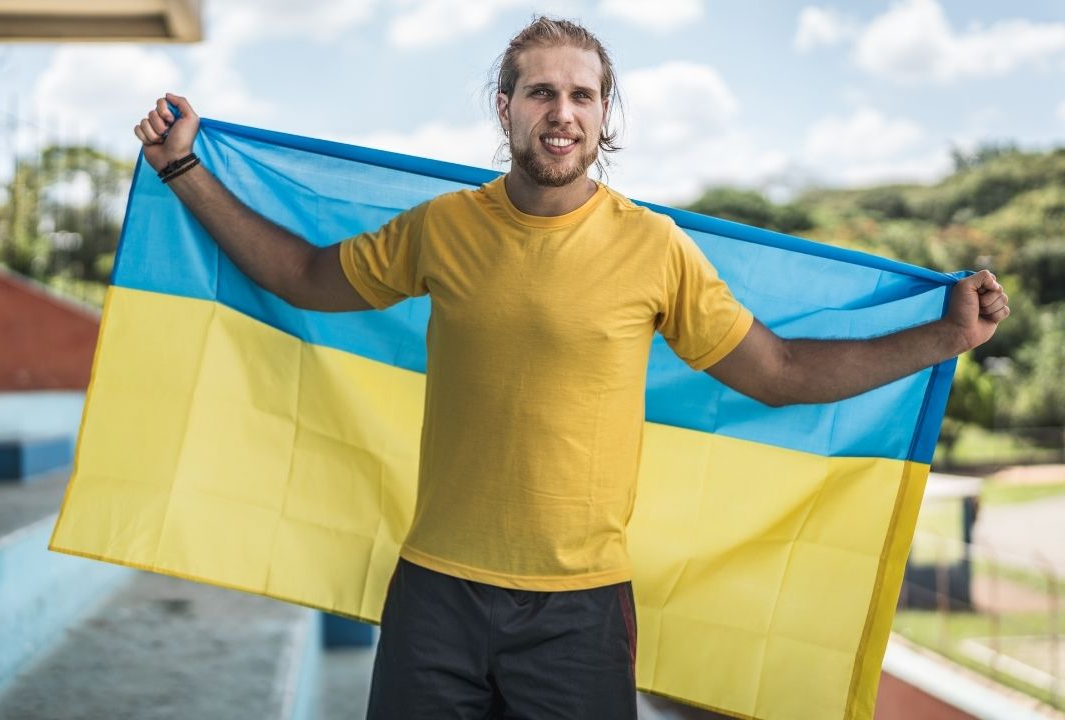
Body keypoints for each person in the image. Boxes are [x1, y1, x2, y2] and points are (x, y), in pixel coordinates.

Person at [133, 16, 1009, 720]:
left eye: (583, 95)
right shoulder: (443, 228)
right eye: (541, 92)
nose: (563, 112)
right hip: (435, 595)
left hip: (579, 614)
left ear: (605, 116)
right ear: (506, 108)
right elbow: (301, 278)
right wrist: (183, 170)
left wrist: (942, 338)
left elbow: (775, 370)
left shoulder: (655, 248)